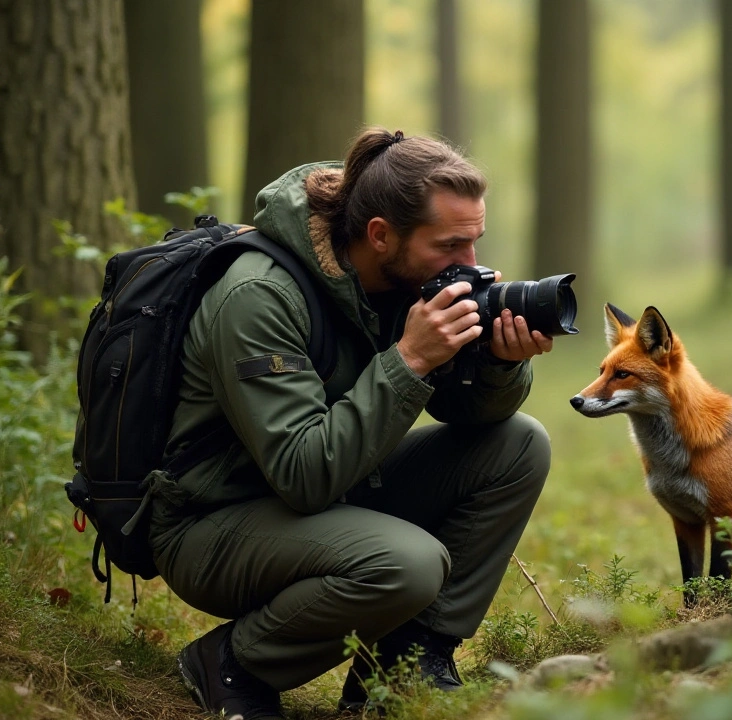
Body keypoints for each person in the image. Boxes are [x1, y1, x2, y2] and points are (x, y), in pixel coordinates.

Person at [148, 127, 554, 719]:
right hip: (213, 520)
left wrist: (496, 364)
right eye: (449, 246)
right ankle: (233, 661)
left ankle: (403, 667)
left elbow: (471, 419)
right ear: (381, 235)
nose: (471, 265)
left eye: (475, 242)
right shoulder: (259, 296)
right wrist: (410, 359)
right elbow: (304, 474)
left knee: (519, 445)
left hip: (322, 496)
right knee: (407, 564)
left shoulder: (400, 280)